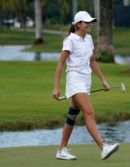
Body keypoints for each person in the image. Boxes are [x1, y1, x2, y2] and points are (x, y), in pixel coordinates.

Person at [52, 11, 119, 160]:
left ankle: (62, 149)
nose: (89, 24)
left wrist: (103, 80)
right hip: (74, 79)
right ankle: (103, 148)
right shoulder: (70, 40)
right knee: (89, 113)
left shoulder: (88, 39)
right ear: (78, 24)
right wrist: (56, 87)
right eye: (86, 22)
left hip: (85, 79)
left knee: (72, 115)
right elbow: (60, 64)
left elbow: (92, 61)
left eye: (90, 22)